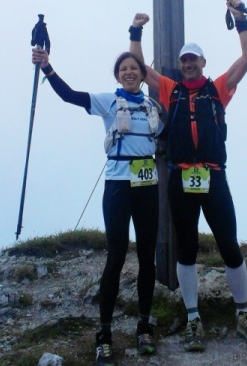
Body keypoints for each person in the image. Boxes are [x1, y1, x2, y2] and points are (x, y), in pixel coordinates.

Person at [128, 0, 247, 352]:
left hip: (213, 176)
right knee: (186, 249)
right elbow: (139, 68)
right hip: (180, 178)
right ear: (180, 65)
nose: (189, 64)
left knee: (229, 244)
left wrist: (240, 19)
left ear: (203, 63)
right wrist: (136, 31)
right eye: (184, 61)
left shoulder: (217, 88)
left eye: (194, 60)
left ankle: (243, 313)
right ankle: (193, 320)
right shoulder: (170, 90)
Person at [32, 47, 163, 365]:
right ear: (118, 76)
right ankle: (103, 336)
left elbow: (172, 131)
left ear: (142, 74)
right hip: (118, 186)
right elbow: (70, 96)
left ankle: (144, 327)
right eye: (123, 69)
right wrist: (47, 67)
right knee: (116, 257)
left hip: (147, 187)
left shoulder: (152, 108)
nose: (129, 72)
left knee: (147, 257)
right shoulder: (108, 102)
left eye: (134, 68)